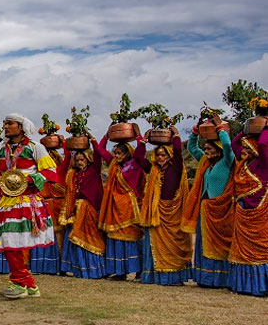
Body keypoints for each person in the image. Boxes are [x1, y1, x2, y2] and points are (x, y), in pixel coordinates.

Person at [0, 113, 57, 299]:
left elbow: (51, 172)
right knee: (9, 243)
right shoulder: (2, 150)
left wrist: (28, 180)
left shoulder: (35, 148)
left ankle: (19, 283)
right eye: (4, 123)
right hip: (6, 202)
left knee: (12, 244)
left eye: (10, 123)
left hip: (26, 201)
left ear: (21, 126)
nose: (5, 127)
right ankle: (28, 284)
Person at [183, 116, 234, 288]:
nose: (206, 151)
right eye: (205, 149)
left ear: (218, 150)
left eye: (209, 148)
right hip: (204, 208)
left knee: (220, 244)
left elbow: (227, 145)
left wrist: (219, 129)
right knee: (203, 242)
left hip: (221, 209)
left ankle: (221, 279)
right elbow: (191, 147)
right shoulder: (205, 162)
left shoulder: (227, 162)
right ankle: (205, 278)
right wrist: (196, 131)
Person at [138, 128, 193, 286]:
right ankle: (155, 276)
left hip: (173, 212)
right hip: (156, 213)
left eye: (164, 155)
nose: (161, 158)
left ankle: (174, 278)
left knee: (174, 246)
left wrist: (175, 136)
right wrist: (143, 141)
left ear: (169, 156)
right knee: (155, 245)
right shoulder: (153, 170)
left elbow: (178, 153)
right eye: (159, 155)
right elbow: (138, 157)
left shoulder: (175, 168)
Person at [93, 127, 147, 281]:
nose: (116, 156)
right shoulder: (114, 164)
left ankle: (139, 271)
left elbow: (141, 151)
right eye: (115, 153)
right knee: (116, 239)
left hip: (130, 206)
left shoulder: (135, 163)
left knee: (133, 239)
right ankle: (120, 271)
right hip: (114, 207)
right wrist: (106, 135)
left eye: (119, 153)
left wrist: (138, 135)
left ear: (127, 153)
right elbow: (100, 150)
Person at [224, 130, 268, 296]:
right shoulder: (242, 164)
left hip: (259, 211)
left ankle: (261, 286)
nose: (243, 152)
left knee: (260, 249)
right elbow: (234, 144)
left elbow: (264, 144)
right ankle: (243, 285)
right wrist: (245, 129)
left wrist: (265, 127)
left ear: (255, 151)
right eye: (244, 149)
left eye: (248, 149)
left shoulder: (263, 164)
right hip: (242, 211)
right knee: (242, 249)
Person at [57, 139, 106, 279]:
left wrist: (95, 141)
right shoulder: (72, 173)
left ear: (87, 159)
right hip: (75, 209)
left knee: (91, 238)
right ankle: (74, 268)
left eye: (82, 159)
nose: (80, 162)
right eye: (77, 160)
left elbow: (98, 155)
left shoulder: (94, 170)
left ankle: (93, 269)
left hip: (90, 208)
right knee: (72, 237)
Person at [31, 141, 67, 275]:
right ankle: (41, 266)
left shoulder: (61, 171)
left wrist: (62, 142)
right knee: (41, 235)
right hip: (42, 206)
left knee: (59, 236)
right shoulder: (39, 175)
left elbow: (68, 156)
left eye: (54, 157)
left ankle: (60, 266)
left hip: (57, 207)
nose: (51, 160)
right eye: (48, 157)